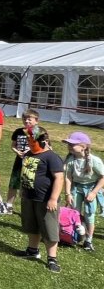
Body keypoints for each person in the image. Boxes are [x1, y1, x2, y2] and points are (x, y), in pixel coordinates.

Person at [15, 127, 64, 273]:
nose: (29, 142)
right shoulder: (29, 154)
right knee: (32, 225)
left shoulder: (51, 157)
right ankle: (32, 250)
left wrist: (53, 199)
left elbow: (59, 178)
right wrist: (23, 190)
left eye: (32, 139)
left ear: (41, 141)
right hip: (29, 197)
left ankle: (52, 258)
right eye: (28, 139)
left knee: (49, 229)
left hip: (45, 199)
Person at [62, 132, 103, 251]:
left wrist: (94, 192)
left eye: (72, 144)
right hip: (76, 189)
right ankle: (73, 236)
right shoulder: (70, 159)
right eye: (68, 144)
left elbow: (102, 177)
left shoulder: (95, 160)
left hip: (91, 189)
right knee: (74, 213)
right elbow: (68, 177)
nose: (69, 146)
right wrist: (68, 193)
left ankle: (88, 240)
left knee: (90, 215)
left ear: (83, 147)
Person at [7, 109, 39, 212]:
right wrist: (17, 152)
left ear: (36, 121)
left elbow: (43, 147)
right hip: (19, 159)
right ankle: (9, 205)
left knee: (28, 184)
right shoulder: (18, 131)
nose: (27, 121)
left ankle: (27, 207)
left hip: (31, 161)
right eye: (25, 119)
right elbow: (13, 145)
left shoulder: (39, 132)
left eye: (29, 119)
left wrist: (31, 151)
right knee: (14, 182)